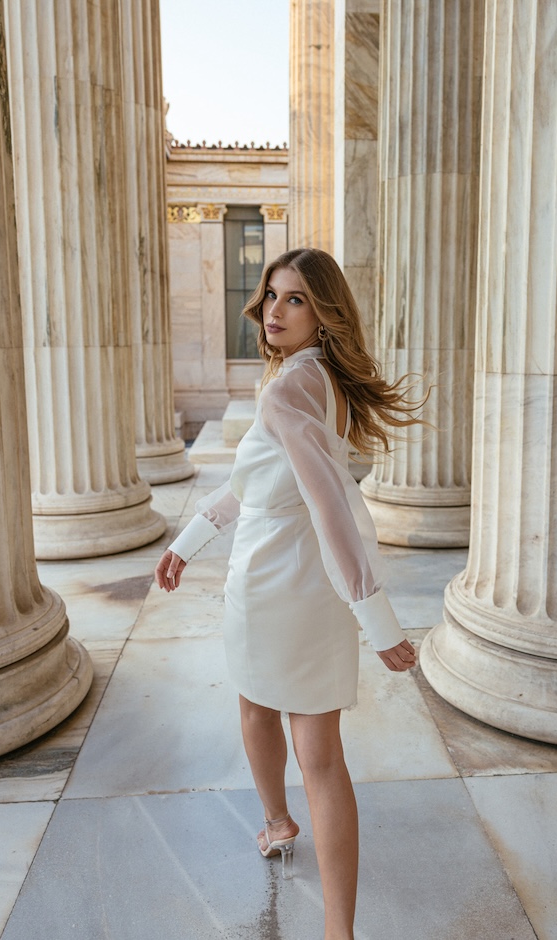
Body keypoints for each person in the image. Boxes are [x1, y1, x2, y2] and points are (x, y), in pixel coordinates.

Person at [155, 248, 424, 940]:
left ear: (324, 312)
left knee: (292, 735)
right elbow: (253, 485)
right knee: (291, 734)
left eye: (296, 298)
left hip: (282, 585)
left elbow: (332, 504)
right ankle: (288, 842)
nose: (275, 310)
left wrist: (379, 619)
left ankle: (319, 896)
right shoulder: (316, 378)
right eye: (272, 295)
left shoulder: (287, 389)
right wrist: (186, 545)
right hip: (288, 579)